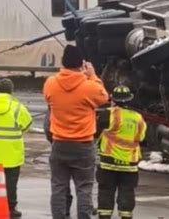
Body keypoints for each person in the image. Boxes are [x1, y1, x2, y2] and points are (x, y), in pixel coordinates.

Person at [43, 45, 108, 219]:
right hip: (83, 145)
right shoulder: (89, 86)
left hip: (59, 143)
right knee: (84, 189)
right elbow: (103, 97)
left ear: (63, 63)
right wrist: (92, 75)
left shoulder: (50, 83)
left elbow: (48, 100)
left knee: (58, 187)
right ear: (81, 64)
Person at [0, 79, 33, 218]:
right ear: (11, 91)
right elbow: (27, 124)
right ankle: (11, 208)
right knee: (11, 181)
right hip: (12, 151)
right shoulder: (18, 107)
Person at [96, 85, 146, 219]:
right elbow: (141, 138)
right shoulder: (138, 117)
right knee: (127, 192)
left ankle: (104, 216)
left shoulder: (108, 113)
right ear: (129, 100)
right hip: (129, 164)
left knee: (106, 191)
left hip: (108, 162)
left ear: (113, 99)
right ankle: (126, 216)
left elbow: (96, 132)